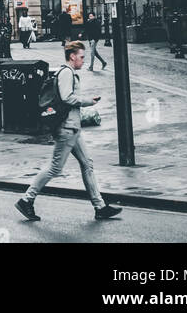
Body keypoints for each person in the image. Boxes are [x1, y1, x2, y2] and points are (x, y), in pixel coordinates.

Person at [15, 40, 121, 224]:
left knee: (87, 164)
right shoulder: (66, 73)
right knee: (55, 168)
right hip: (66, 129)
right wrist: (88, 101)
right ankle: (26, 200)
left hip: (73, 128)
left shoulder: (69, 73)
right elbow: (66, 97)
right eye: (81, 57)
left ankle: (100, 207)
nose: (83, 60)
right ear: (72, 56)